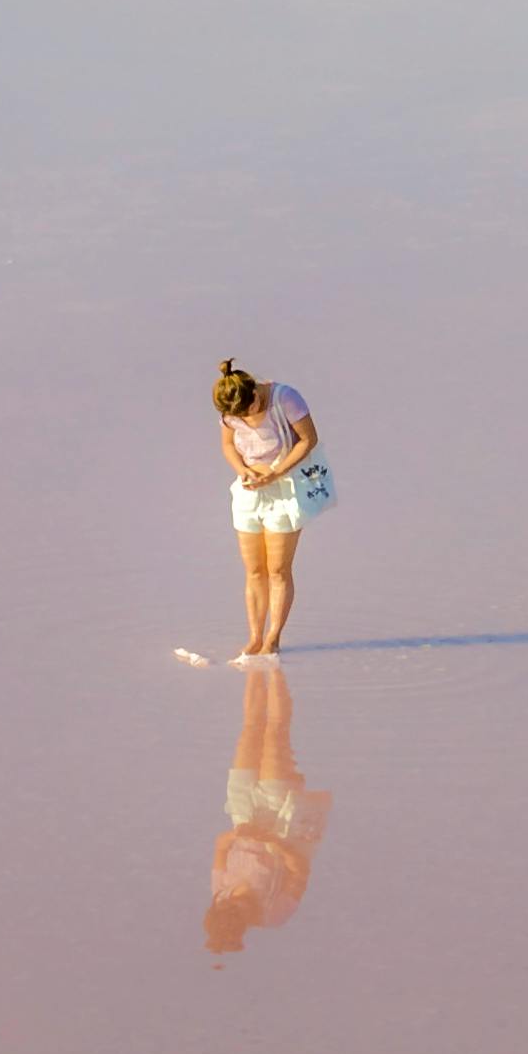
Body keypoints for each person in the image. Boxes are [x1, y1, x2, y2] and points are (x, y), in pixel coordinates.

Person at [205, 659, 331, 955]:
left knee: (249, 731)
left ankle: (254, 667)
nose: (233, 902)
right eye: (237, 911)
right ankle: (275, 672)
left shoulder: (219, 893)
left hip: (243, 813)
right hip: (279, 824)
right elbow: (300, 872)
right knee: (275, 735)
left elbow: (221, 845)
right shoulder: (273, 915)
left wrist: (239, 833)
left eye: (228, 907)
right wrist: (273, 843)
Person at [213, 357, 331, 661]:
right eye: (237, 417)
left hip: (285, 490)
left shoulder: (285, 398)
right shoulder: (230, 409)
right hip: (249, 492)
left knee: (277, 570)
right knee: (254, 570)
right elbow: (228, 446)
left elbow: (308, 439)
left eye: (249, 410)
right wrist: (242, 469)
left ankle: (273, 638)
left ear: (255, 392)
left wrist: (276, 473)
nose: (245, 418)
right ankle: (254, 637)